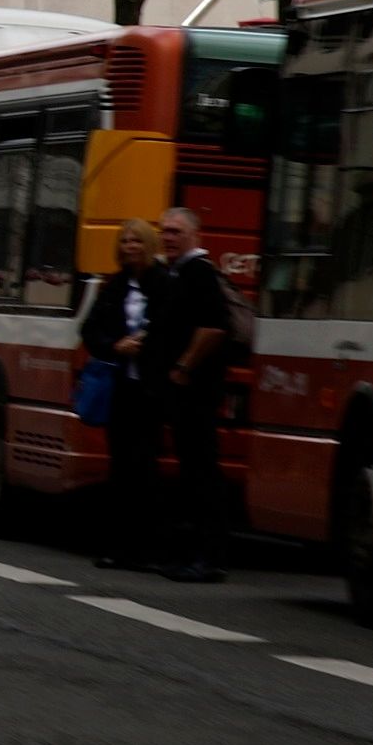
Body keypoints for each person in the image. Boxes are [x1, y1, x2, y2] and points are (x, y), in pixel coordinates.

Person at [143, 206, 236, 582]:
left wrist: (184, 366)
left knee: (202, 473)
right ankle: (188, 554)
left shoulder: (199, 273)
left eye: (176, 231)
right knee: (189, 471)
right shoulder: (176, 272)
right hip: (182, 393)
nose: (168, 237)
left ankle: (208, 557)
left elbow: (214, 327)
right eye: (164, 230)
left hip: (197, 391)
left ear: (196, 236)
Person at [84, 218, 163, 572]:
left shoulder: (163, 283)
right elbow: (90, 330)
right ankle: (116, 547)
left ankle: (146, 549)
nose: (130, 246)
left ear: (148, 245)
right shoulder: (115, 286)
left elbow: (173, 327)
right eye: (125, 241)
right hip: (120, 387)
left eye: (136, 241)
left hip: (149, 389)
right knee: (119, 468)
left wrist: (145, 344)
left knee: (145, 468)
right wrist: (115, 346)